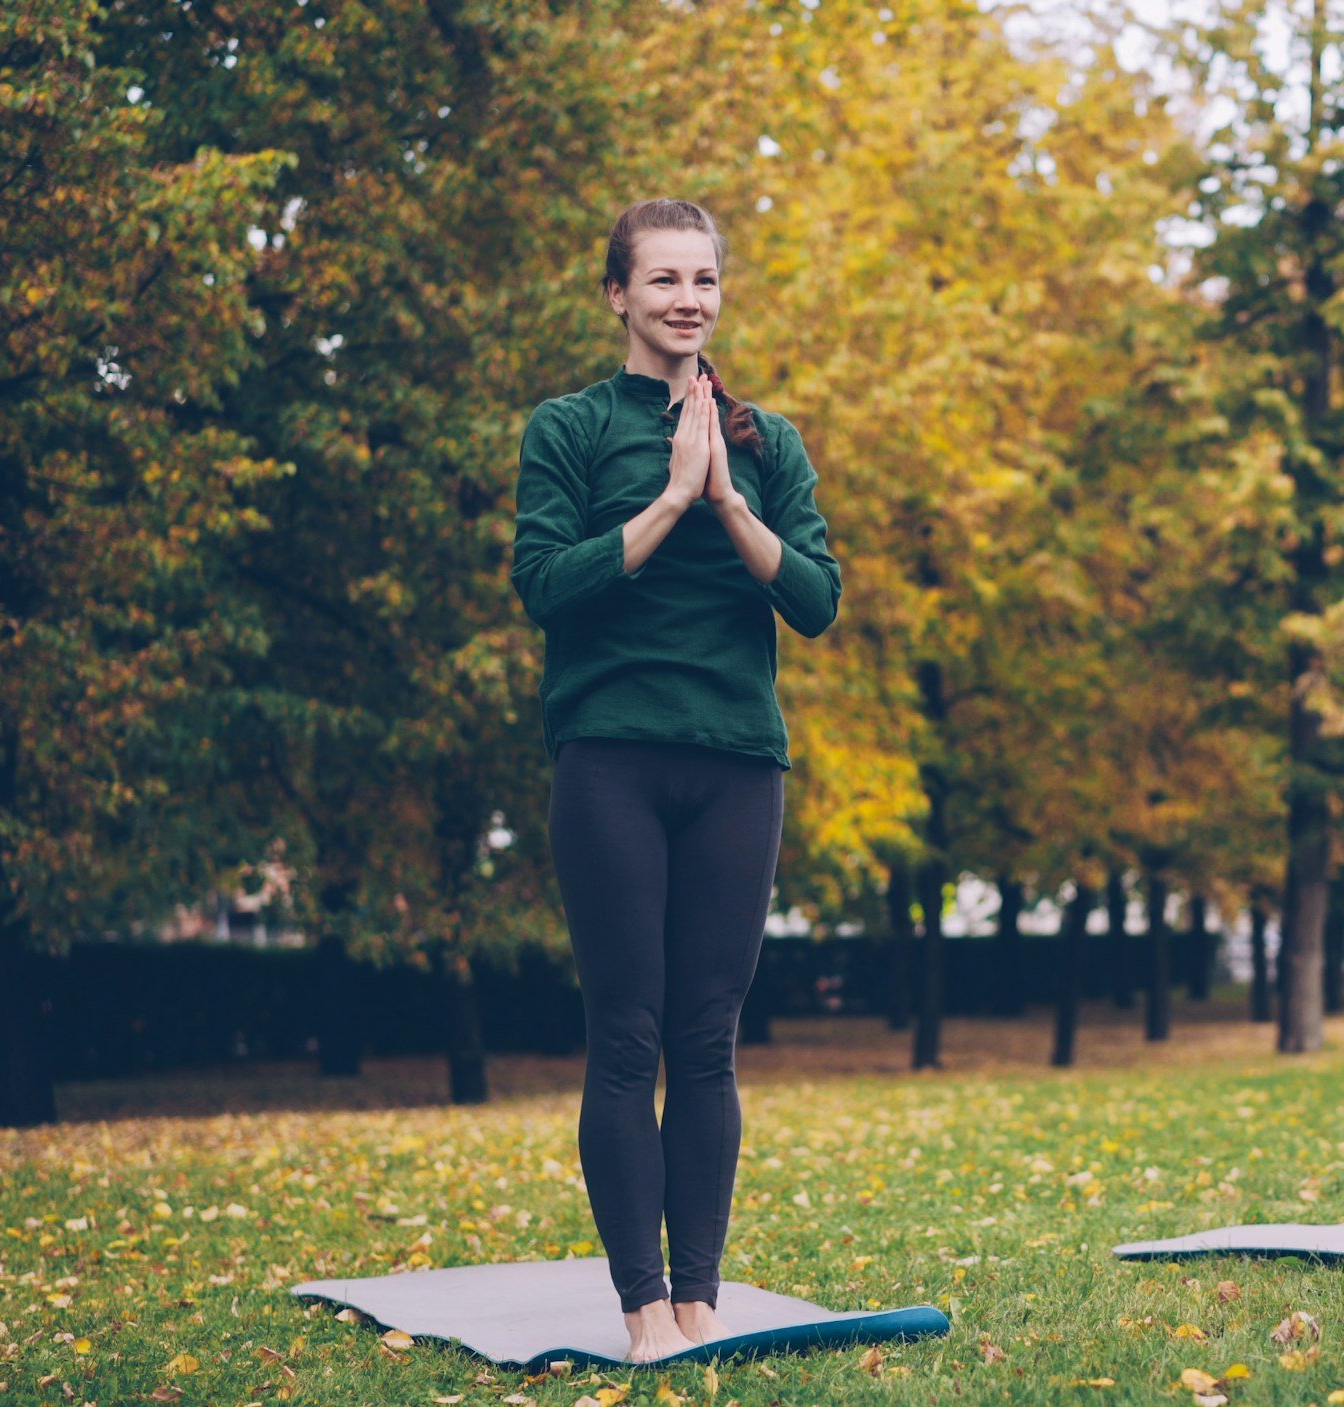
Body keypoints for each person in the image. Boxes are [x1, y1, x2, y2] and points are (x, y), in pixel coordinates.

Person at [510, 198, 842, 1359]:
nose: (686, 300)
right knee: (626, 1035)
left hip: (737, 764)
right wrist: (663, 500)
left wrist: (725, 500)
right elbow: (546, 585)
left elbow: (813, 601)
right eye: (661, 281)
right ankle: (641, 1308)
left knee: (708, 1037)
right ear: (617, 295)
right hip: (609, 758)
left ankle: (698, 1301)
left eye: (703, 279)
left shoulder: (768, 440)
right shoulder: (568, 429)